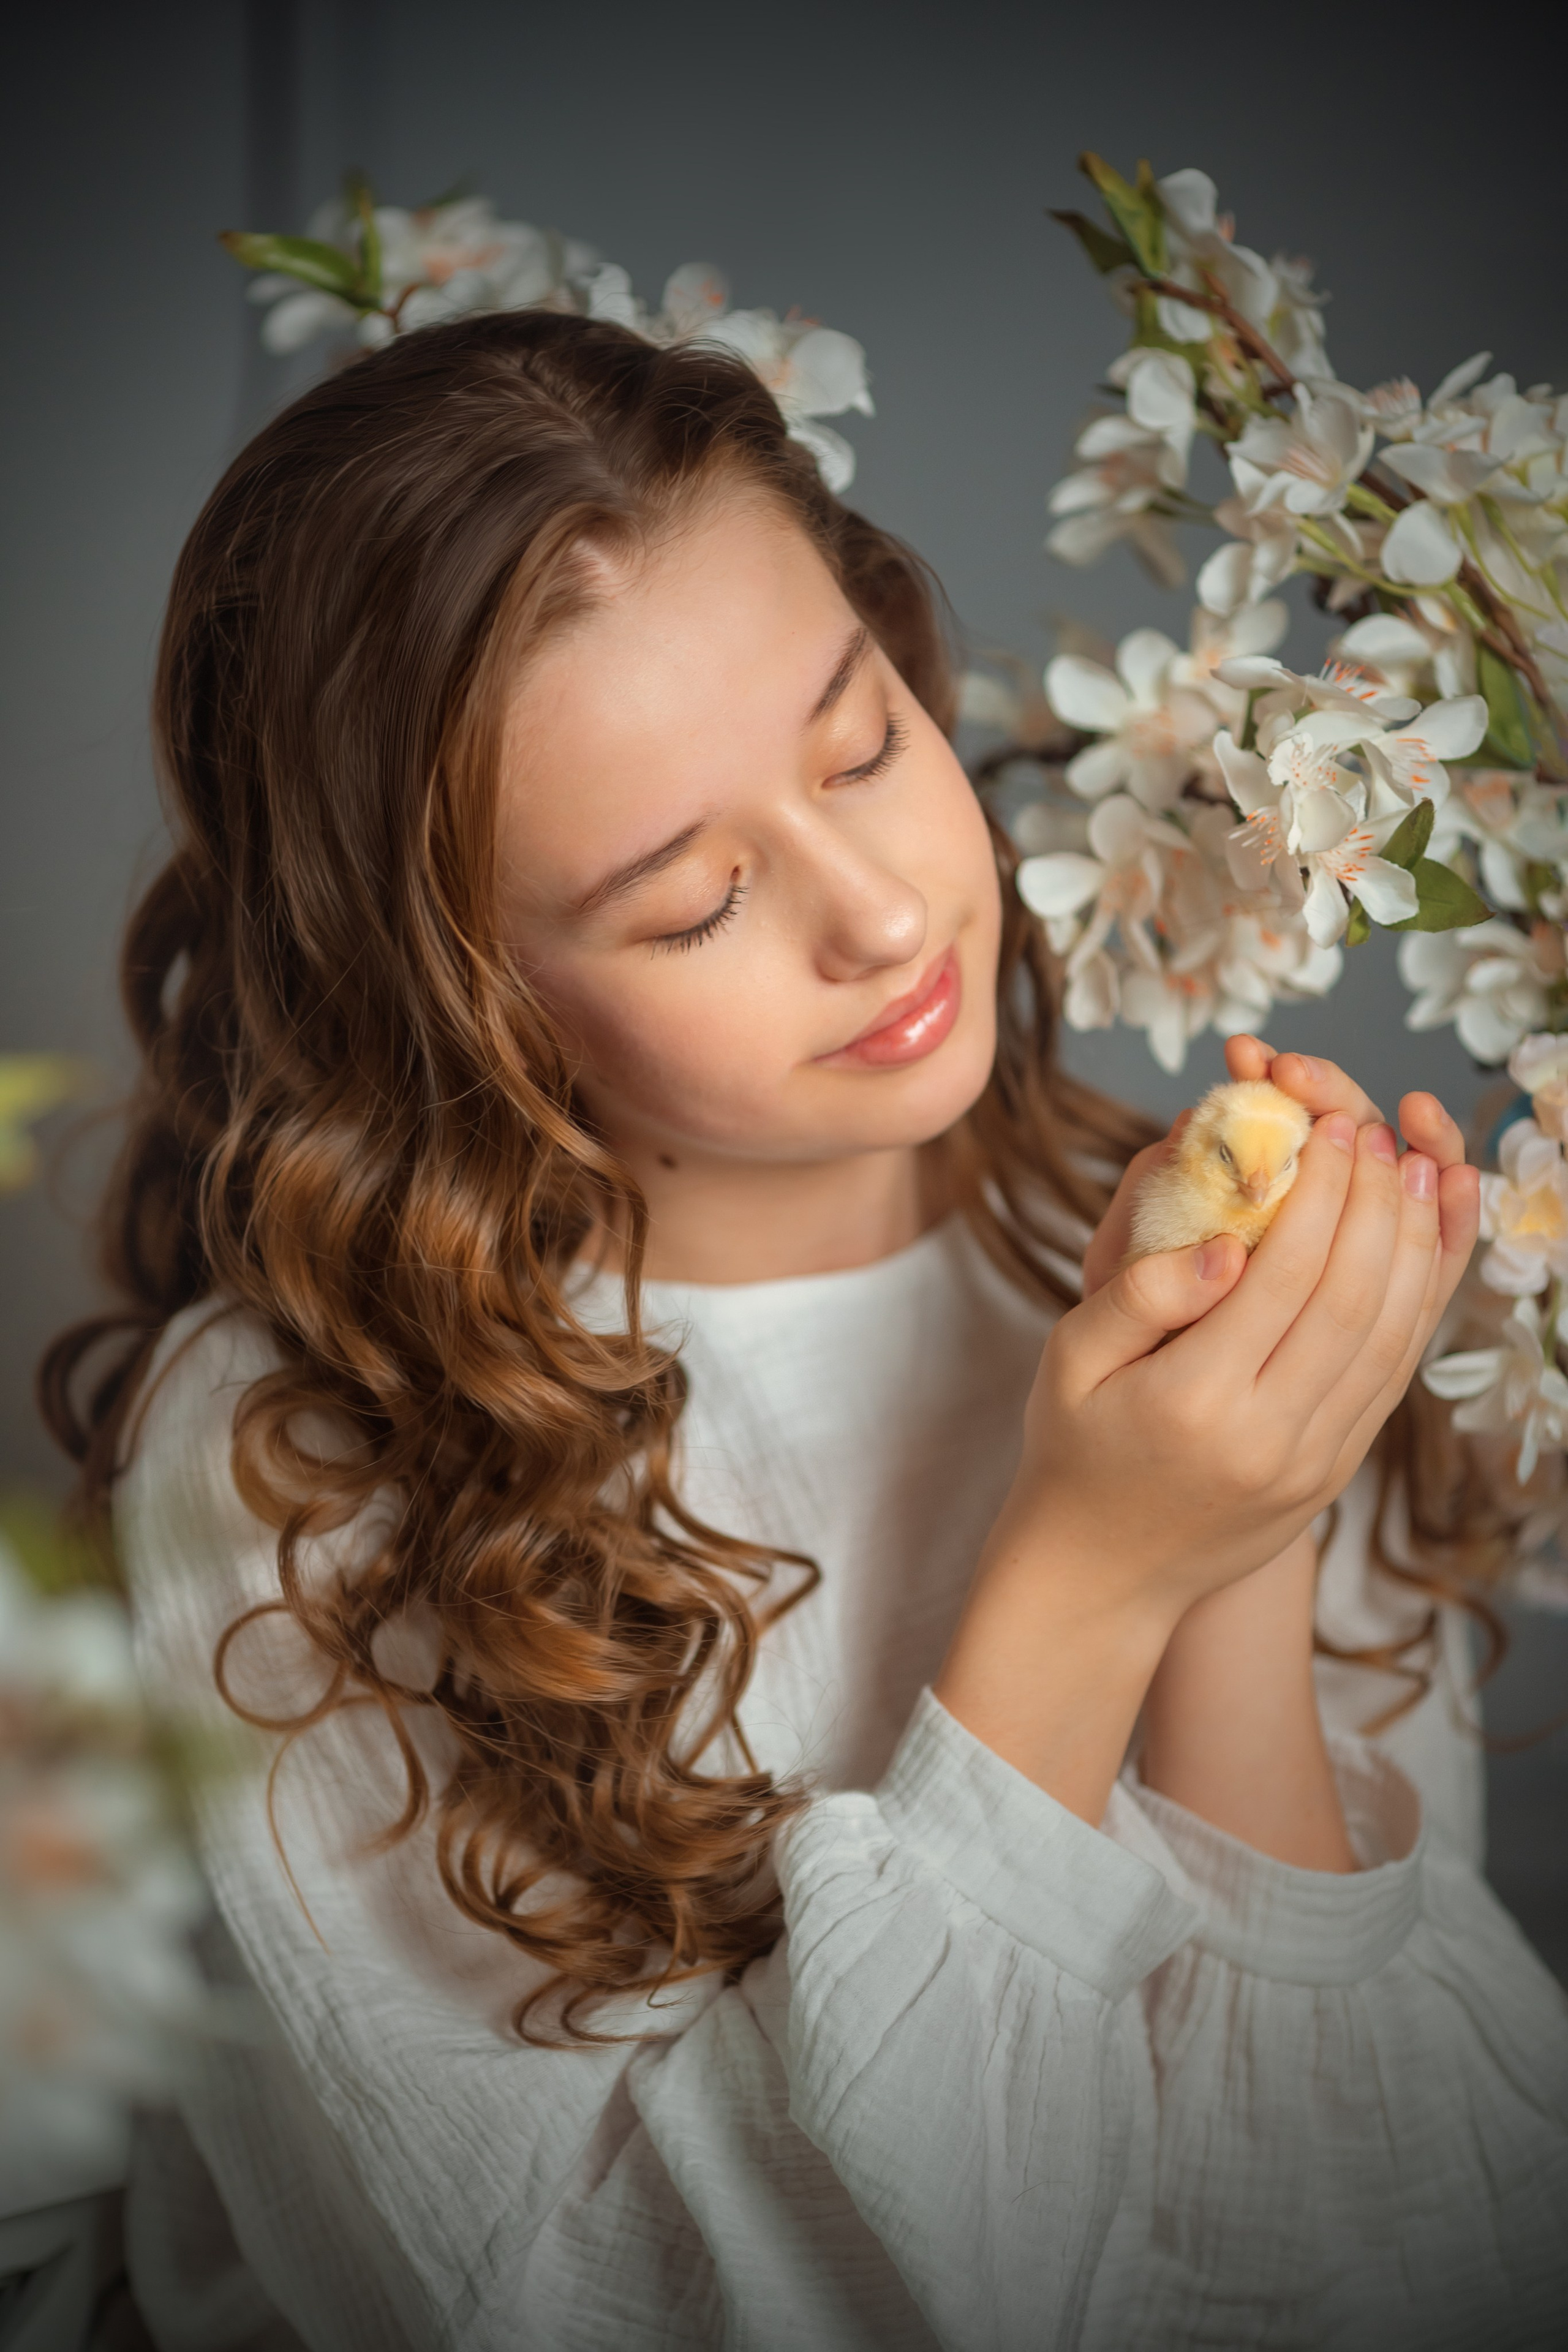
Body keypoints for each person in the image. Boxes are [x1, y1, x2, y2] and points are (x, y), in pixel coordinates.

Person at [47, 310, 1568, 2350]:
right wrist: (1087, 1577)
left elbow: (1370, 2252)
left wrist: (1243, 1542)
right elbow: (625, 2309)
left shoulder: (1159, 1255)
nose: (878, 913)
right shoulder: (298, 1465)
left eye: (863, 745)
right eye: (692, 904)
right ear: (459, 996)